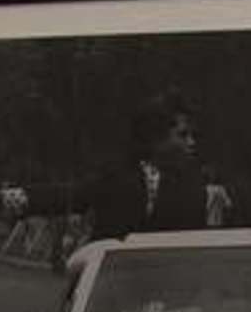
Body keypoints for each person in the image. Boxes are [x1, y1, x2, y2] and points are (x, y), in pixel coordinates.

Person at [75, 96, 212, 241]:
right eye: (182, 135)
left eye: (193, 135)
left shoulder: (193, 187)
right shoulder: (115, 177)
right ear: (156, 138)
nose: (191, 142)